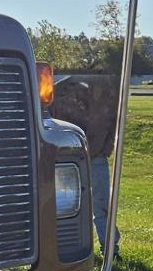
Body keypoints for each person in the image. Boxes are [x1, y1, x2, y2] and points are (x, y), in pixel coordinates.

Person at [50, 69, 121, 250]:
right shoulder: (58, 91)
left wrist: (106, 147)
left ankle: (110, 247)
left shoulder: (108, 92)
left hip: (95, 156)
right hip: (68, 160)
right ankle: (68, 246)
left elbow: (113, 123)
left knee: (101, 205)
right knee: (68, 204)